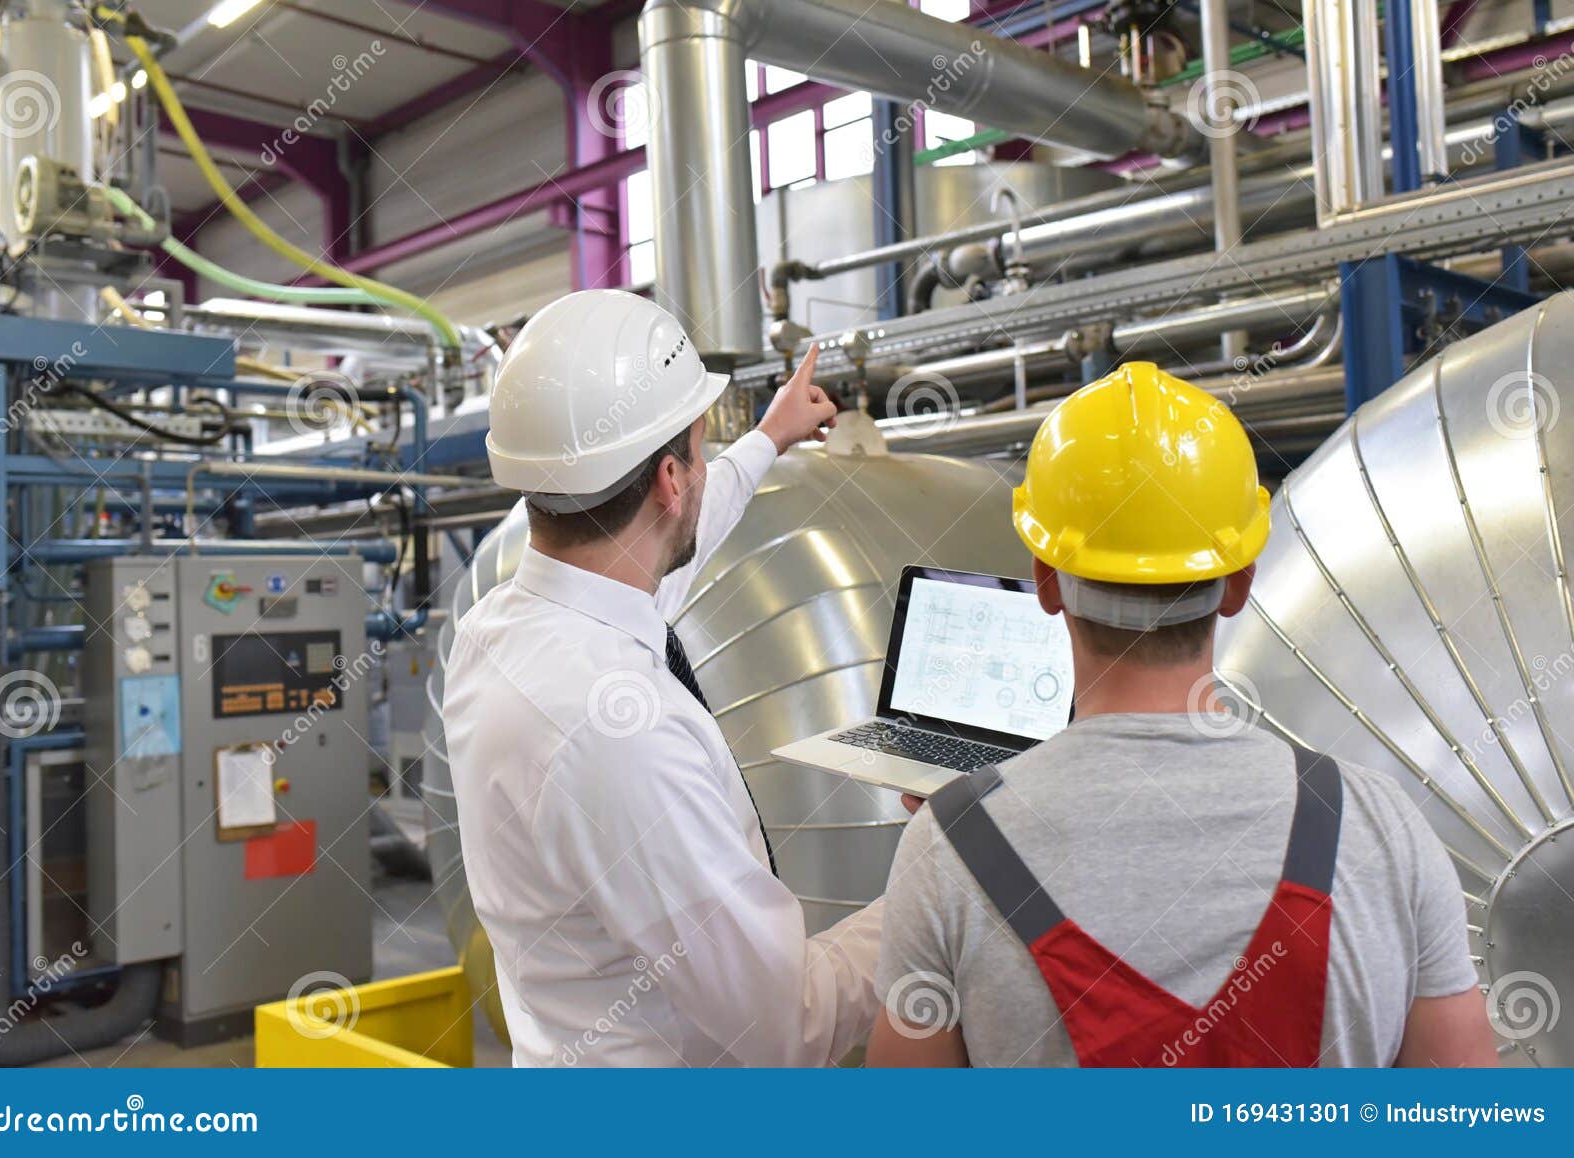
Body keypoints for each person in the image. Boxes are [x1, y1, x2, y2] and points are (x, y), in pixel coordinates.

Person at [867, 362, 1498, 1068]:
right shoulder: (1383, 831)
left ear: (1046, 582)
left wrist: (956, 846)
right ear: (1238, 585)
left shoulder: (947, 849)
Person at [442, 289, 884, 1067]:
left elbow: (656, 564)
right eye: (699, 454)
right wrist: (942, 881)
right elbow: (788, 1022)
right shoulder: (626, 734)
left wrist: (768, 439)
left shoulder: (497, 631)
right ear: (672, 481)